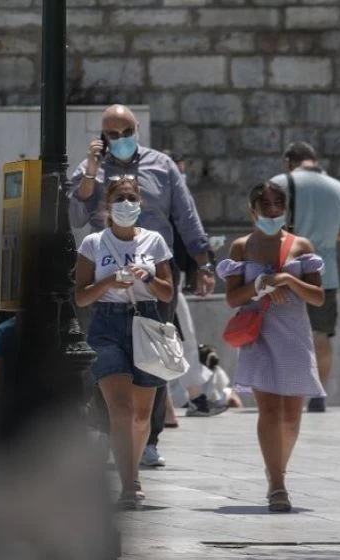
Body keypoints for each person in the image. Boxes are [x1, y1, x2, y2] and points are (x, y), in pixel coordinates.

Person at [68, 105, 216, 469]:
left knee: (155, 353)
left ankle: (149, 438)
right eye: (111, 134)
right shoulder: (91, 169)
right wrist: (90, 171)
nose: (119, 140)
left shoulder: (162, 166)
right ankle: (107, 430)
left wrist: (203, 262)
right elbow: (74, 216)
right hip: (106, 277)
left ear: (137, 129)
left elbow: (186, 214)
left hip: (154, 273)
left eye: (125, 132)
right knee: (107, 359)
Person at [217, 182, 326, 512]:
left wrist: (290, 280)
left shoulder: (301, 246)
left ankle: (276, 467)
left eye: (279, 204)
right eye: (265, 205)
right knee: (271, 409)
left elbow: (318, 298)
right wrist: (260, 284)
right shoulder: (241, 247)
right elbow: (233, 299)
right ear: (252, 210)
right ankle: (277, 484)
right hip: (259, 333)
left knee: (292, 415)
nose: (273, 210)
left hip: (293, 334)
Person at [73, 176, 175, 510]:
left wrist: (148, 276)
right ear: (108, 205)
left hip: (146, 322)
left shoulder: (155, 241)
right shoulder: (93, 243)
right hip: (107, 324)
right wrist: (109, 282)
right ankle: (130, 483)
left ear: (140, 203)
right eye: (120, 199)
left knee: (142, 413)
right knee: (121, 407)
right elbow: (82, 297)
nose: (126, 205)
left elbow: (167, 292)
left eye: (132, 198)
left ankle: (132, 472)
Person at [270, 142, 340, 413]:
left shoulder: (278, 183)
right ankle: (318, 395)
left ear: (288, 161)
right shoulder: (337, 187)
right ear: (314, 159)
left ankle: (286, 389)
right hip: (324, 274)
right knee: (321, 334)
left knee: (283, 332)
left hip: (285, 270)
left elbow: (267, 228)